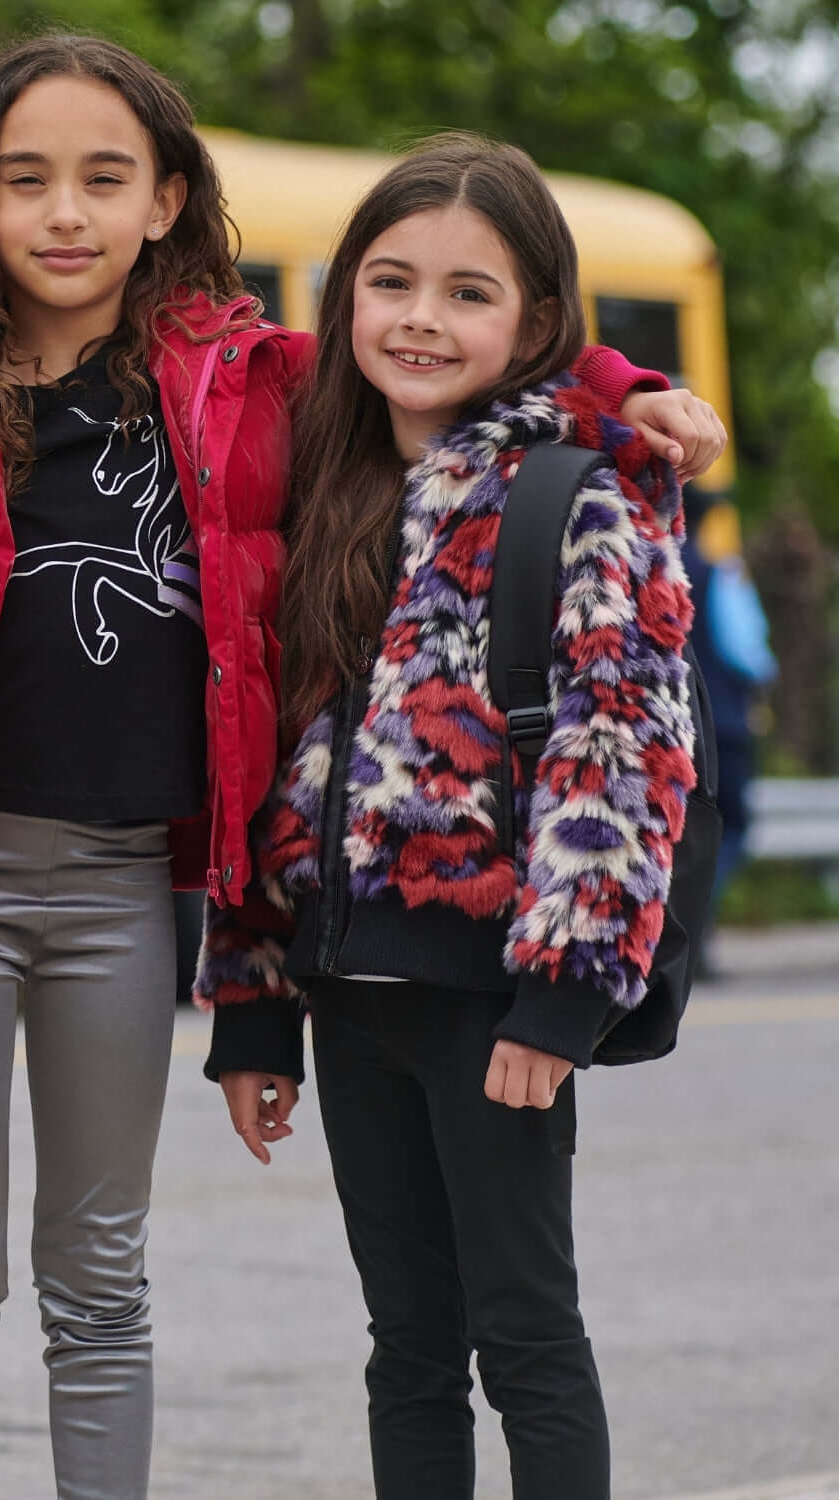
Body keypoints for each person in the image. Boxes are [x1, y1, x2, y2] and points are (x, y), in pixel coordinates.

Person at [0, 30, 724, 1496]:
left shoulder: (237, 384)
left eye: (104, 178)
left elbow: (436, 323)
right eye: (27, 182)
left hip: (126, 892)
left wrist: (622, 380)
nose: (65, 214)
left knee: (103, 1272)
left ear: (164, 200)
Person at [195, 131, 715, 1500]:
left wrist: (563, 999)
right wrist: (255, 1006)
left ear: (537, 321)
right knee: (405, 1347)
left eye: (469, 293)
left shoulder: (579, 494)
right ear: (347, 299)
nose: (422, 317)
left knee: (526, 1336)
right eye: (391, 281)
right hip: (344, 992)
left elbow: (623, 756)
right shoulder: (319, 495)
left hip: (496, 995)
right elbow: (272, 763)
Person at [681, 486, 776, 971]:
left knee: (681, 832)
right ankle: (698, 932)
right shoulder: (720, 575)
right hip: (726, 729)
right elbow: (748, 654)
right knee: (727, 828)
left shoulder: (648, 568)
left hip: (673, 728)